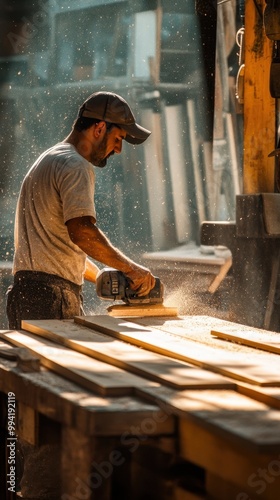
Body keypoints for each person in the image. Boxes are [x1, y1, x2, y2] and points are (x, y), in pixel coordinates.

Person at [6, 91, 156, 329]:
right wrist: (131, 269)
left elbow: (57, 244)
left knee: (34, 365)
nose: (118, 149)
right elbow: (81, 231)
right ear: (99, 128)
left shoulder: (48, 159)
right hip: (52, 298)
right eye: (117, 138)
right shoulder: (76, 165)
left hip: (25, 292)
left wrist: (99, 276)